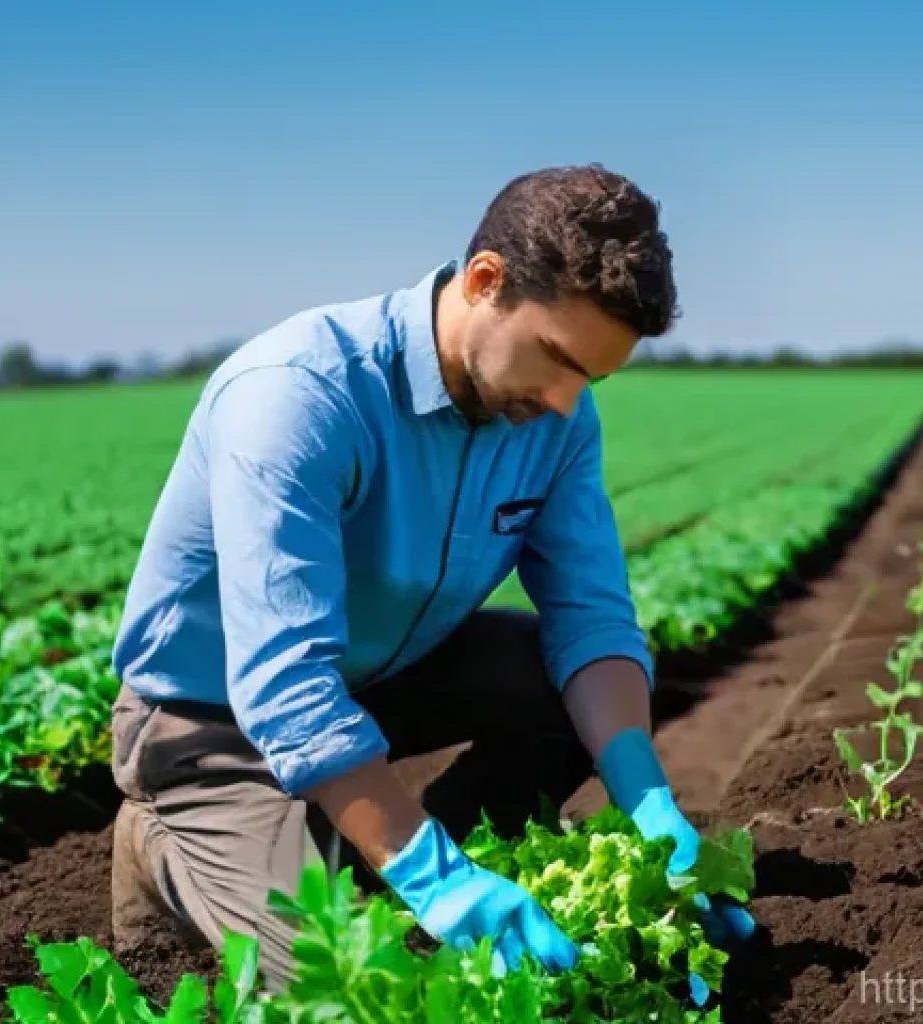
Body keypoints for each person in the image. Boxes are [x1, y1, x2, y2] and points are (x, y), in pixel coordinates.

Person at [109, 163, 754, 999]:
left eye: (589, 380)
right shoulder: (298, 397)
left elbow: (592, 619)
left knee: (561, 678)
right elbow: (285, 685)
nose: (565, 402)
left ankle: (386, 861)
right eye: (556, 358)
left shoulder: (552, 416)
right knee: (339, 988)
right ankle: (170, 838)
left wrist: (649, 808)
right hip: (213, 719)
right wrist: (439, 878)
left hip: (373, 678)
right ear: (485, 281)